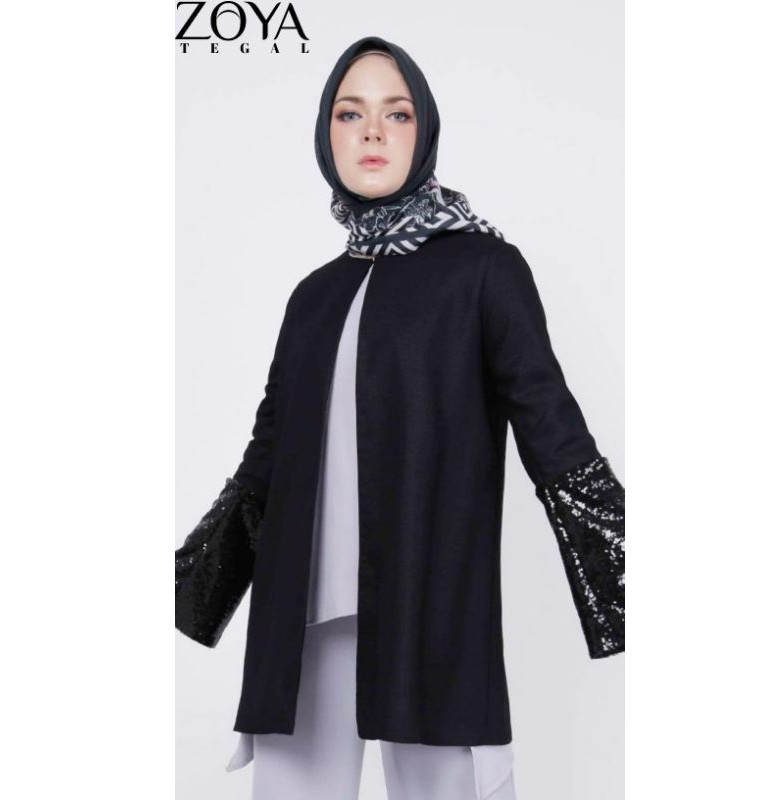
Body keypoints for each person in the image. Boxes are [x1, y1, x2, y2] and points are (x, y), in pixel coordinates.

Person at [176, 35, 624, 800]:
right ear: (327, 135)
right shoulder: (313, 296)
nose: (374, 132)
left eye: (398, 113)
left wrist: (628, 575)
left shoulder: (485, 270)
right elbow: (266, 464)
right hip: (300, 620)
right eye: (351, 114)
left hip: (429, 609)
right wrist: (188, 591)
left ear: (424, 132)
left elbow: (553, 431)